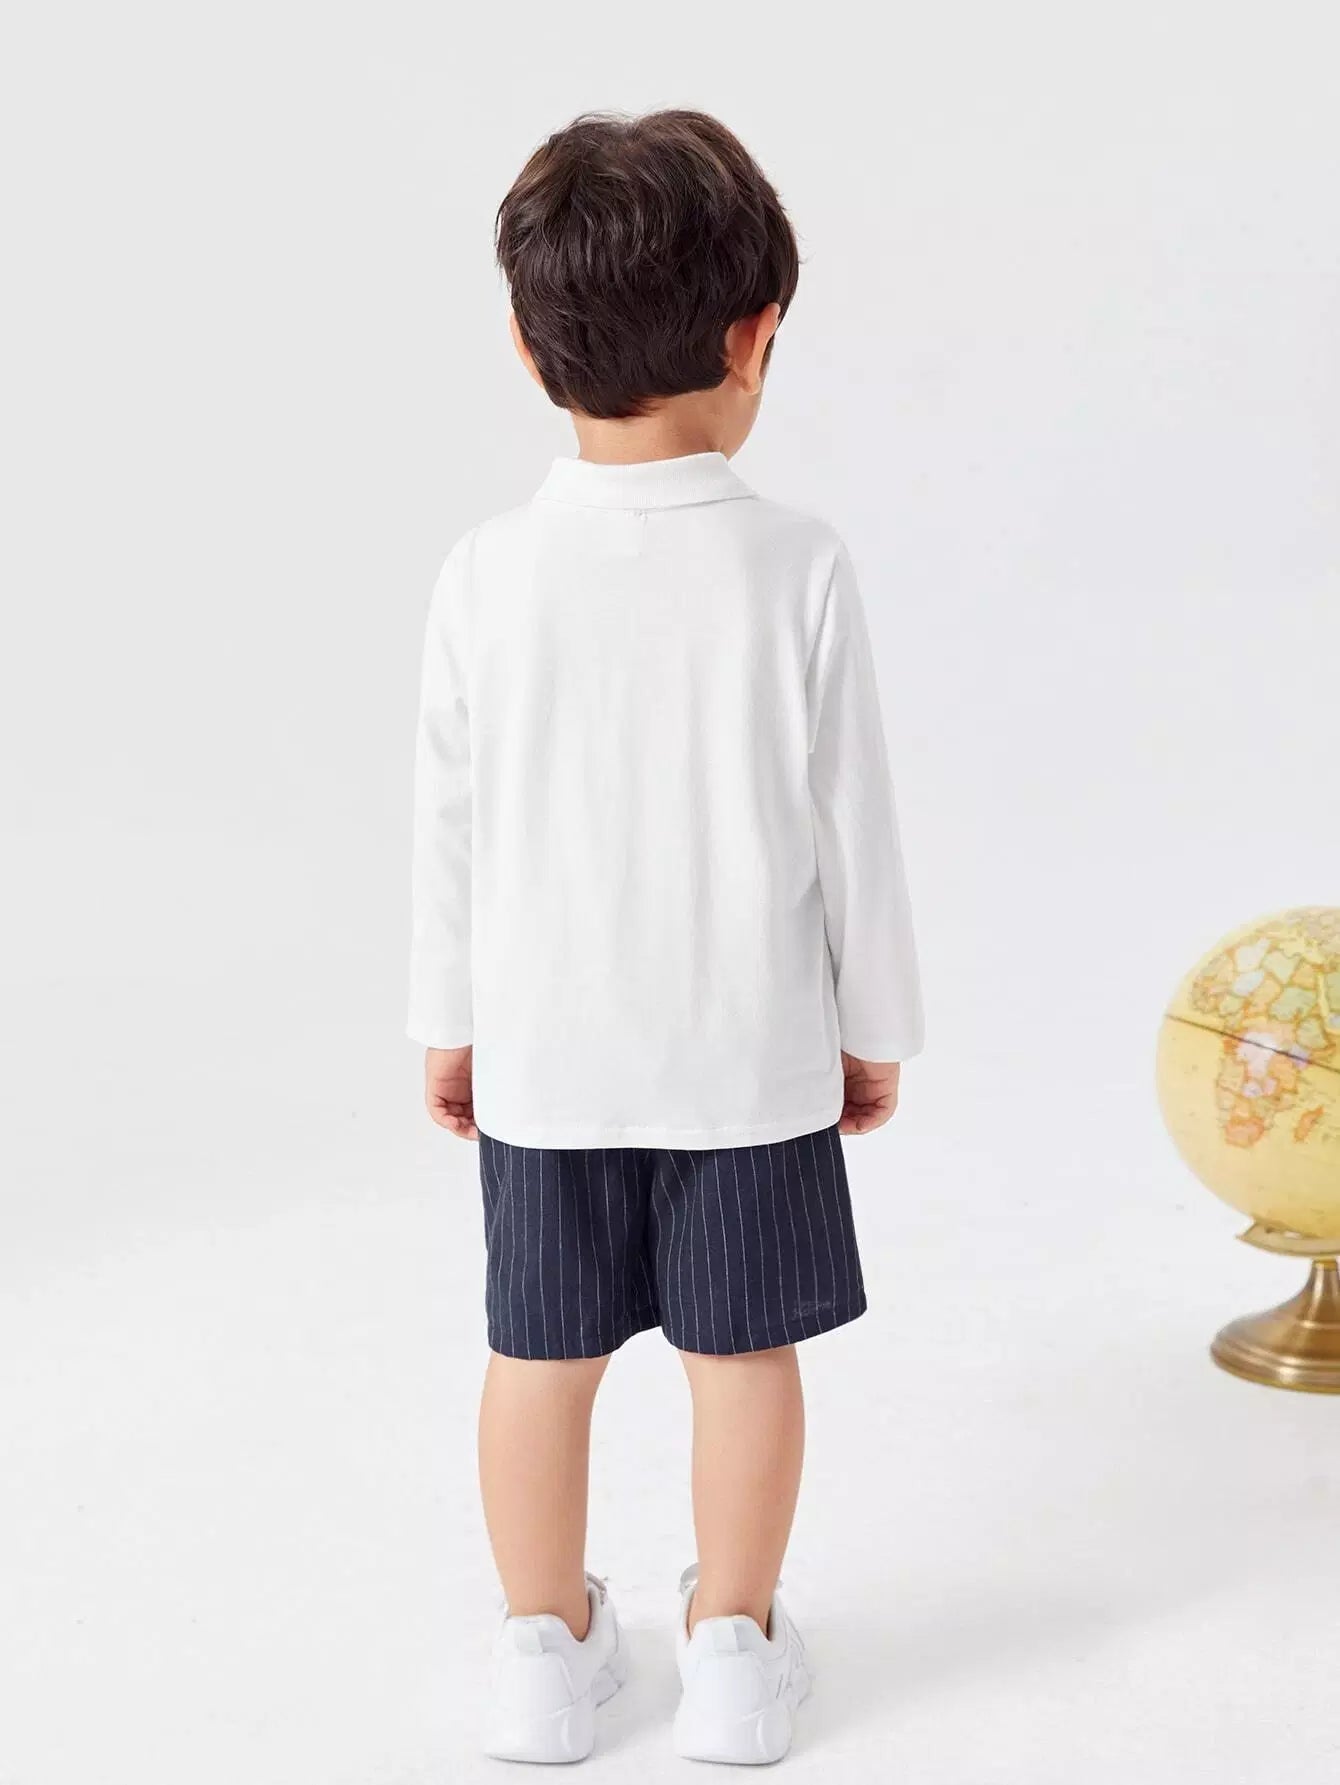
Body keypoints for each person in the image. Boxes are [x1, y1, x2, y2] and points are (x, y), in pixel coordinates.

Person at [408, 108, 923, 1765]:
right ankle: (733, 1649)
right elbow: (855, 826)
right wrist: (873, 1026)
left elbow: (450, 822)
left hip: (547, 1055)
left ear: (522, 343)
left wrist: (447, 1019)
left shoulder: (484, 573)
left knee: (536, 1356)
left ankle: (541, 1652)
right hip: (748, 1054)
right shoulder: (798, 566)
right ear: (754, 335)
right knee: (742, 1350)